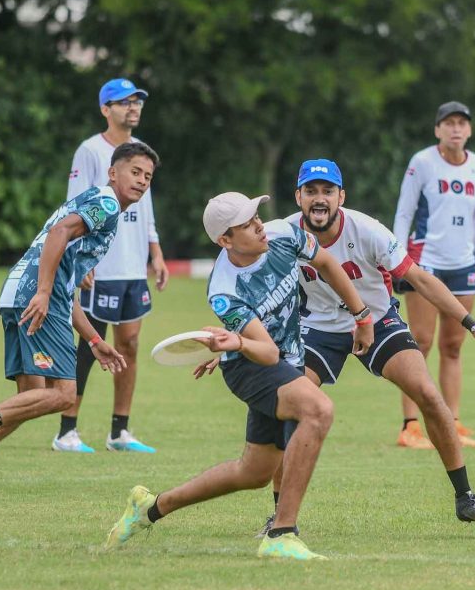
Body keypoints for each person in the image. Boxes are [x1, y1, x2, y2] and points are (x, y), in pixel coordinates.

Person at [251, 159, 475, 536]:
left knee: (428, 394)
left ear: (341, 197)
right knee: (290, 410)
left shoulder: (368, 230)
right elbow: (244, 270)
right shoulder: (282, 233)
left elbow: (419, 279)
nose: (319, 198)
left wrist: (473, 325)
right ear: (298, 197)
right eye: (310, 191)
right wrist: (234, 342)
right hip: (317, 328)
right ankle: (280, 516)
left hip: (377, 321)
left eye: (327, 191)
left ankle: (466, 498)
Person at [104, 191, 375, 561]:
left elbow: (326, 262)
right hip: (250, 367)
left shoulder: (284, 235)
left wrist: (361, 315)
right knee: (318, 410)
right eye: (246, 225)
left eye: (256, 217)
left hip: (287, 360)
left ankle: (150, 507)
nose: (259, 226)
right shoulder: (225, 290)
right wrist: (238, 343)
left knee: (254, 473)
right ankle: (282, 532)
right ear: (225, 240)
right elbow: (267, 353)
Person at [0, 143, 160, 492]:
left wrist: (94, 339)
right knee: (63, 395)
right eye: (135, 172)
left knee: (30, 398)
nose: (142, 181)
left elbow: (68, 285)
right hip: (39, 296)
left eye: (148, 176)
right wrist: (43, 292)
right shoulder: (106, 204)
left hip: (18, 293)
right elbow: (58, 235)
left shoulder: (96, 205)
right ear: (112, 172)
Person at [53, 78, 168, 455]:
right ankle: (67, 431)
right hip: (100, 265)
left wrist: (155, 252)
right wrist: (79, 258)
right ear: (106, 109)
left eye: (137, 102)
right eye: (124, 102)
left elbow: (145, 208)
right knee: (89, 345)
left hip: (133, 267)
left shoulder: (141, 152)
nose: (133, 108)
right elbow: (74, 207)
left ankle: (120, 432)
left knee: (129, 344)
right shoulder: (90, 151)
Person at [392, 101, 475, 449]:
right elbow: (404, 213)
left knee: (453, 346)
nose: (456, 129)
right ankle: (411, 425)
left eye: (462, 123)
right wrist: (397, 260)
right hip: (425, 263)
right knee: (419, 343)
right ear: (437, 129)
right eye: (449, 123)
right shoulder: (422, 163)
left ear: (469, 130)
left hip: (463, 264)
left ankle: (453, 422)